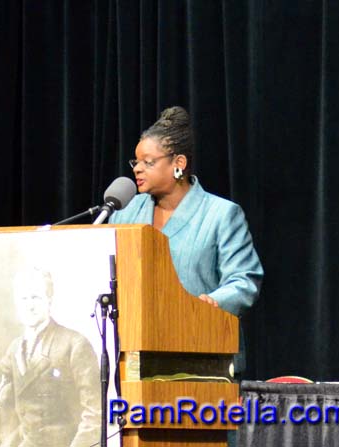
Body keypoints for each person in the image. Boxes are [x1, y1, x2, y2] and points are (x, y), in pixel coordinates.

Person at [109, 106, 264, 446]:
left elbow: (245, 279)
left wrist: (210, 302)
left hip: (202, 364)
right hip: (134, 361)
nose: (137, 169)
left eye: (148, 162)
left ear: (178, 163)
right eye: (135, 162)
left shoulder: (221, 214)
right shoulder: (126, 212)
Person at [0, 266, 101, 447]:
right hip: (24, 440)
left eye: (36, 297)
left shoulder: (74, 344)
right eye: (23, 299)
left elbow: (95, 413)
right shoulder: (16, 348)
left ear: (49, 301)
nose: (29, 305)